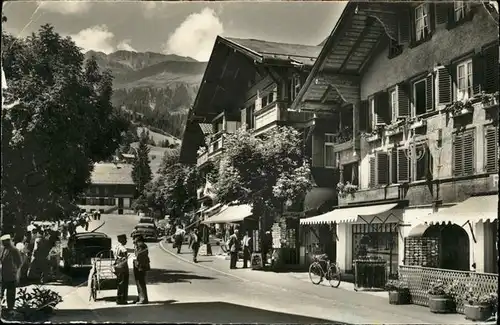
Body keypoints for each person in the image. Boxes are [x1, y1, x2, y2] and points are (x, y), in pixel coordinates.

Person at [1, 234, 22, 312]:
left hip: (11, 274)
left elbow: (19, 263)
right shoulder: (3, 249)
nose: (2, 243)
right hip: (2, 274)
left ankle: (10, 308)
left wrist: (17, 274)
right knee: (1, 291)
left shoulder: (14, 250)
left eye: (4, 242)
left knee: (10, 293)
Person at [132, 234, 150, 304]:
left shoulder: (141, 245)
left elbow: (140, 255)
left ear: (138, 239)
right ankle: (140, 297)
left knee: (140, 282)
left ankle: (143, 299)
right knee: (138, 282)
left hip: (140, 265)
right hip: (138, 265)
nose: (133, 240)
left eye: (134, 239)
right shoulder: (139, 245)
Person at [113, 234, 129, 305]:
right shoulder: (122, 247)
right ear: (121, 240)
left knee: (120, 282)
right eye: (125, 239)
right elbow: (125, 254)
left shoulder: (116, 246)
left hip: (117, 264)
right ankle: (122, 300)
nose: (126, 241)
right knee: (123, 282)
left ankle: (119, 298)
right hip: (122, 265)